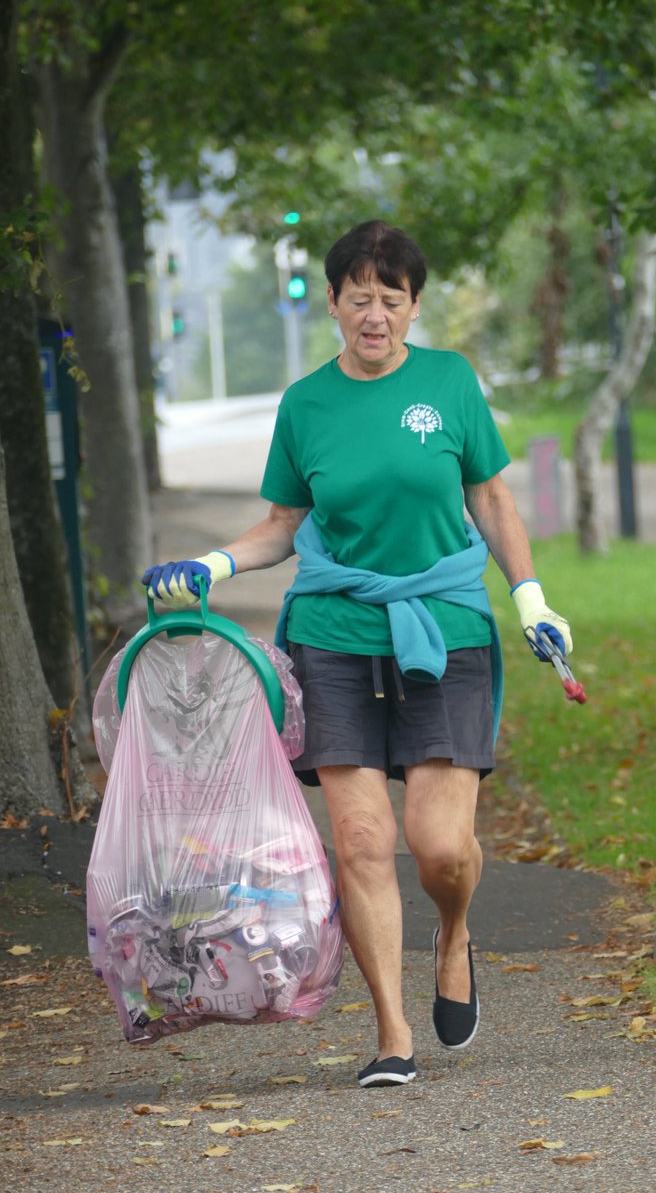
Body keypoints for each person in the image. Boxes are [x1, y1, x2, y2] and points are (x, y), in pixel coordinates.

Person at [142, 220, 573, 1089]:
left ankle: (453, 933)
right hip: (334, 638)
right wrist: (214, 565)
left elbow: (491, 500)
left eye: (391, 298)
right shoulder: (306, 405)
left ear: (413, 306)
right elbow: (283, 525)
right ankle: (391, 1033)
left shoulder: (449, 382)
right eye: (359, 297)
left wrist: (530, 596)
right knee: (365, 839)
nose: (375, 314)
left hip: (444, 631)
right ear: (333, 302)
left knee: (440, 847)